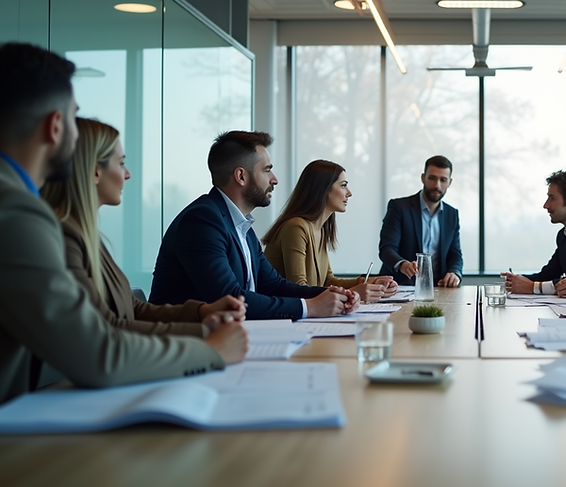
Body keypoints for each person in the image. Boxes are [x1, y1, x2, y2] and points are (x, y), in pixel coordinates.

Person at [0, 42, 246, 403]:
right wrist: (211, 351)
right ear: (55, 126)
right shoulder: (18, 215)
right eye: (73, 117)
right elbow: (98, 350)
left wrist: (201, 319)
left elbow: (125, 311)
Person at [42, 117, 246, 337]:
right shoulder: (65, 237)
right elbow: (106, 327)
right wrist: (205, 334)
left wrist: (202, 312)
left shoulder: (87, 235)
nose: (127, 174)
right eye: (120, 163)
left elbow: (133, 308)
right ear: (94, 172)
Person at [149, 131, 358, 320]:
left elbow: (274, 285)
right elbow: (230, 298)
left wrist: (332, 295)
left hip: (232, 337)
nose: (274, 180)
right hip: (186, 344)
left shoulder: (240, 225)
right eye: (267, 170)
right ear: (241, 176)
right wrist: (309, 307)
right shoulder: (202, 221)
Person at [263, 159, 397, 300]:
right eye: (343, 185)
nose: (349, 193)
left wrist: (366, 282)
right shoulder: (296, 227)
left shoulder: (321, 229)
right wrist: (354, 293)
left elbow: (327, 281)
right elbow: (299, 288)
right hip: (284, 318)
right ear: (323, 189)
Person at [379, 155, 463, 287]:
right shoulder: (399, 207)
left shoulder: (452, 214)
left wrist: (455, 273)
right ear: (423, 178)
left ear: (450, 182)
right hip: (399, 287)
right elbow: (387, 249)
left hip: (438, 289)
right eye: (432, 178)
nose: (437, 185)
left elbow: (455, 254)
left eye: (443, 180)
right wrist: (403, 264)